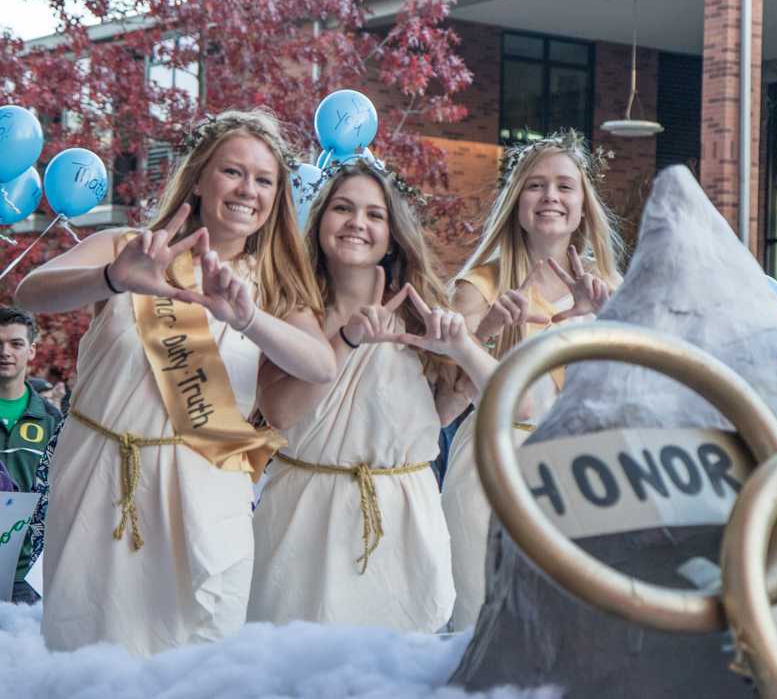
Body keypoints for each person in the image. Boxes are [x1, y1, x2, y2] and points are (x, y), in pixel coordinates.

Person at [14, 109, 337, 655]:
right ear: (200, 176)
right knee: (92, 654)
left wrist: (249, 319)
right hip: (101, 476)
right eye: (233, 172)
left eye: (264, 180)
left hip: (206, 488)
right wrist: (113, 278)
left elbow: (320, 365)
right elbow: (30, 292)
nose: (247, 190)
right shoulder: (129, 247)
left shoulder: (276, 284)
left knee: (195, 659)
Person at [249, 158, 497, 631]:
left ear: (392, 233)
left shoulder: (421, 316)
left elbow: (443, 414)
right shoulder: (289, 308)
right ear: (320, 220)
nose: (357, 223)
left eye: (375, 214)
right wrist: (349, 338)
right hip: (304, 514)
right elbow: (279, 412)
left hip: (402, 517)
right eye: (343, 208)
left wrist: (463, 348)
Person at [441, 130, 623, 629]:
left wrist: (607, 323)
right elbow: (447, 391)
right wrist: (489, 329)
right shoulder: (479, 285)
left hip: (582, 474)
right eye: (536, 185)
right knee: (487, 620)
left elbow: (631, 396)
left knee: (571, 627)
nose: (551, 198)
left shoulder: (612, 289)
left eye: (565, 186)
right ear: (517, 200)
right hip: (493, 468)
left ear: (583, 205)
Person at [0, 307, 61, 604]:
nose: (5, 352)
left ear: (32, 350)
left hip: (24, 577)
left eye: (15, 344)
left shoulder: (52, 419)